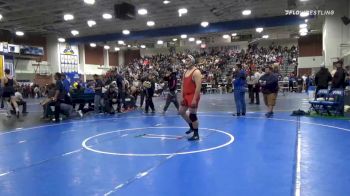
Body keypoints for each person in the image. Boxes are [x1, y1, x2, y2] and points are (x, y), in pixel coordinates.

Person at [179, 55, 202, 141]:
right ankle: (192, 127)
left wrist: (194, 99)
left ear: (192, 61)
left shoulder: (196, 72)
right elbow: (182, 85)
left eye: (188, 60)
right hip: (186, 95)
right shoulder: (185, 72)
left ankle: (196, 134)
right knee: (181, 111)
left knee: (192, 115)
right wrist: (181, 96)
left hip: (193, 95)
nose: (186, 62)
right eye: (186, 60)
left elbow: (198, 87)